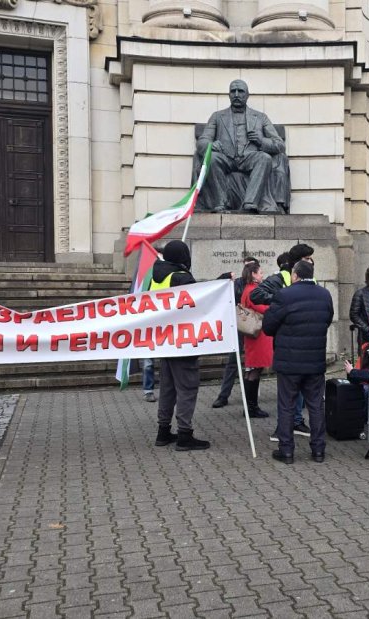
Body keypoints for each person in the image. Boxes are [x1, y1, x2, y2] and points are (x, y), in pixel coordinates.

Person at [263, 260, 334, 464]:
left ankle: (286, 451)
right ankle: (318, 450)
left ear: (295, 275)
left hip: (289, 362)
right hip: (314, 360)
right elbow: (327, 319)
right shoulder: (324, 294)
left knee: (286, 405)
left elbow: (268, 326)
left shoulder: (285, 295)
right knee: (315, 405)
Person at [151, 240, 211, 451]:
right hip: (183, 341)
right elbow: (199, 303)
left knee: (167, 388)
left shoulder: (157, 277)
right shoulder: (182, 277)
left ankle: (163, 431)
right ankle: (185, 434)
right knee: (187, 388)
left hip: (164, 341)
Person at [196, 79, 286, 213]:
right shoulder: (217, 116)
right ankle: (221, 203)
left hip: (249, 157)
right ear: (229, 95)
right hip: (225, 157)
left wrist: (261, 141)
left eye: (240, 91)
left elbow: (279, 144)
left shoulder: (261, 117)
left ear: (247, 95)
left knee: (264, 158)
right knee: (212, 158)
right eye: (233, 91)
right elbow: (202, 141)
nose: (236, 94)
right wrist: (211, 145)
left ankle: (250, 202)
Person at [212, 256, 259, 409]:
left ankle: (251, 399)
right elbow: (216, 289)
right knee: (233, 362)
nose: (247, 270)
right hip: (240, 327)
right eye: (246, 266)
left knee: (255, 364)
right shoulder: (237, 283)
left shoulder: (260, 285)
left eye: (250, 267)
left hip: (255, 327)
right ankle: (223, 396)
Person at [240, 261, 274, 419]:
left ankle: (250, 406)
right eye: (260, 272)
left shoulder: (248, 289)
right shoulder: (253, 290)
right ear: (253, 274)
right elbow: (262, 308)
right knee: (255, 370)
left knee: (253, 370)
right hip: (258, 336)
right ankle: (251, 408)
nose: (262, 275)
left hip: (255, 335)